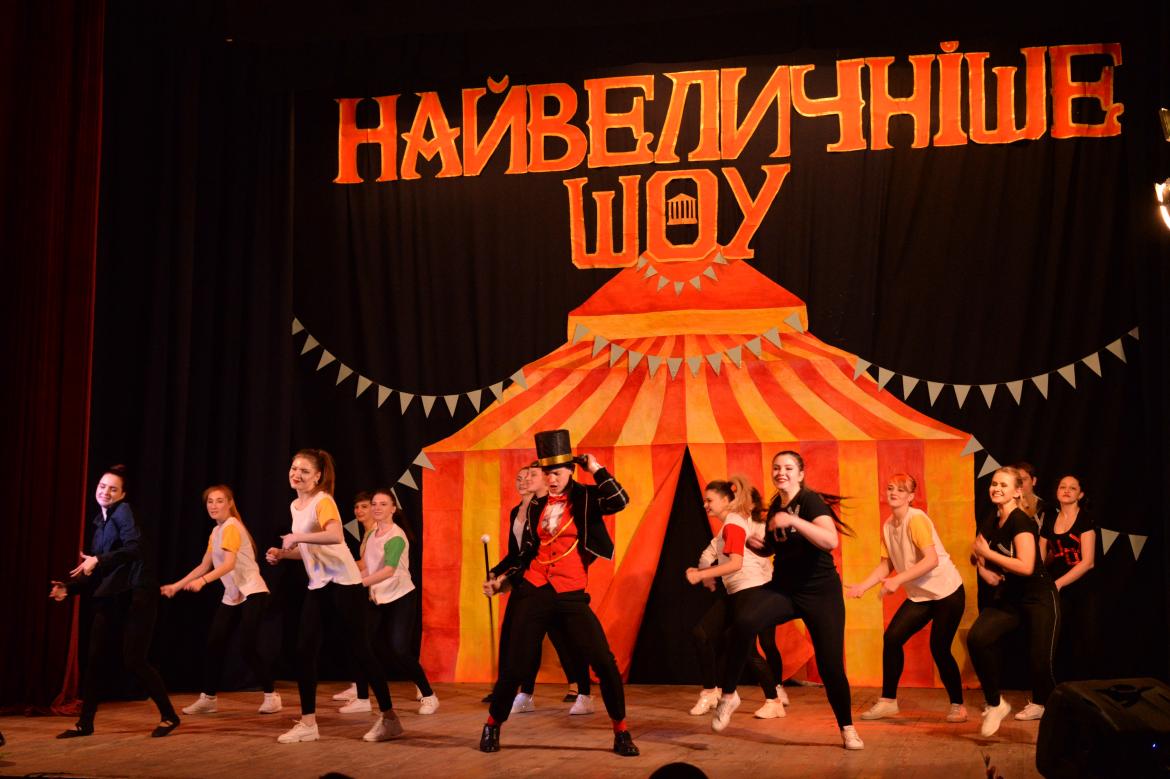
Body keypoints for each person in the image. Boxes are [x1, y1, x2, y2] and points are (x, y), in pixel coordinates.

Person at [478, 429, 639, 757]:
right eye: (547, 473)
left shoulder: (587, 498)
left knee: (604, 663)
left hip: (570, 592)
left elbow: (620, 501)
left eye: (558, 473)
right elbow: (526, 553)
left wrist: (596, 468)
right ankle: (492, 724)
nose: (551, 479)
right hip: (535, 589)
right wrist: (502, 580)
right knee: (515, 665)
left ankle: (621, 732)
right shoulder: (536, 506)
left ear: (571, 471)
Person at [716, 450, 863, 750]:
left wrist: (793, 519)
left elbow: (830, 540)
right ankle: (728, 696)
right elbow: (774, 548)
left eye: (788, 468)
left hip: (821, 594)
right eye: (776, 468)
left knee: (831, 667)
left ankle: (847, 728)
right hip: (784, 590)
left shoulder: (810, 501)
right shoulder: (776, 507)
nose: (781, 472)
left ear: (800, 474)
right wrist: (756, 545)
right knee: (743, 622)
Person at [264, 448, 401, 743]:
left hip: (344, 583)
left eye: (304, 471)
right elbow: (309, 549)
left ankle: (390, 718)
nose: (296, 474)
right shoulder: (295, 506)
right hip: (320, 584)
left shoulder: (323, 501)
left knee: (361, 650)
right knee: (304, 650)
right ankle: (308, 723)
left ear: (317, 476)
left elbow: (335, 535)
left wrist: (297, 537)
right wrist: (283, 554)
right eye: (294, 468)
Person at [50, 465, 180, 738]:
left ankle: (169, 716)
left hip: (137, 595)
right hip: (113, 596)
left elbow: (135, 547)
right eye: (102, 486)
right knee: (95, 658)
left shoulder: (123, 512)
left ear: (122, 494)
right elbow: (100, 571)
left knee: (134, 660)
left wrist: (98, 560)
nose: (105, 492)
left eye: (112, 489)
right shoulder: (101, 523)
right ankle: (85, 723)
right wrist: (69, 588)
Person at [845, 473, 967, 722]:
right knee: (892, 638)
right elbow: (886, 564)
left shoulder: (916, 519)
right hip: (921, 596)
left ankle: (958, 705)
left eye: (901, 490)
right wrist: (863, 586)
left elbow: (931, 560)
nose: (894, 493)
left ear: (911, 496)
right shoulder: (889, 525)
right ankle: (888, 702)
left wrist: (898, 580)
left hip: (947, 592)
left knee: (939, 648)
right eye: (891, 488)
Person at [161, 485, 280, 715]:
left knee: (247, 646)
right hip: (233, 595)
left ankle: (271, 695)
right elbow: (204, 565)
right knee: (214, 643)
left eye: (219, 501)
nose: (214, 506)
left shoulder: (232, 526)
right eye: (210, 501)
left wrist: (203, 582)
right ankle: (208, 699)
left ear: (230, 503)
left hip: (252, 591)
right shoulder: (216, 532)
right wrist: (176, 586)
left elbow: (228, 564)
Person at [487, 464, 593, 713]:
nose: (524, 480)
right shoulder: (520, 511)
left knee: (566, 638)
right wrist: (497, 573)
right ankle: (524, 692)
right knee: (523, 637)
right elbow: (518, 553)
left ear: (546, 480)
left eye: (531, 475)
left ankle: (583, 691)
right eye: (520, 477)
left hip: (554, 583)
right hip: (527, 581)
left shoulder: (554, 507)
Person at [968, 466, 1060, 736]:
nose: (996, 489)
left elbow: (1026, 566)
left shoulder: (1021, 521)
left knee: (1040, 662)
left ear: (1017, 492)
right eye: (994, 484)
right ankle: (995, 704)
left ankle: (1055, 715)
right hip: (1011, 596)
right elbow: (978, 548)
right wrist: (984, 570)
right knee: (977, 638)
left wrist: (989, 556)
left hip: (1039, 597)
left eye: (1003, 485)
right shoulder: (993, 517)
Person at [685, 476, 784, 720]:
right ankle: (711, 691)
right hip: (736, 592)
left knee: (747, 649)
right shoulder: (726, 527)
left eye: (710, 500)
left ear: (726, 501)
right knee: (701, 634)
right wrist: (705, 572)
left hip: (751, 590)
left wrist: (702, 575)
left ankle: (774, 701)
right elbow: (710, 554)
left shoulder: (734, 524)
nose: (705, 505)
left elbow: (736, 564)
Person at [345, 488, 439, 715]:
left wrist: (360, 583)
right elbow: (366, 565)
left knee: (399, 650)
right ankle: (362, 698)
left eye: (383, 504)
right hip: (377, 596)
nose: (377, 507)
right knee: (361, 644)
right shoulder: (371, 534)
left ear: (393, 509)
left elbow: (389, 570)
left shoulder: (396, 536)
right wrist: (343, 573)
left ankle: (429, 695)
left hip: (400, 597)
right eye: (374, 503)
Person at [1040, 474, 1096, 682]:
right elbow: (1040, 557)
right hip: (1056, 587)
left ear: (1080, 495)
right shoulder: (1050, 519)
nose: (1066, 490)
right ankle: (1059, 686)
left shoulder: (1085, 519)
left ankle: (1083, 686)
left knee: (1082, 637)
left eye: (1072, 488)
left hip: (1081, 586)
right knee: (1058, 637)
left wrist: (1059, 583)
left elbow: (1088, 562)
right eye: (1062, 486)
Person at [1013, 461, 1049, 531]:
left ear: (1034, 481)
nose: (1020, 483)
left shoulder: (1047, 509)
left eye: (1024, 479)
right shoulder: (1004, 505)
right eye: (1017, 480)